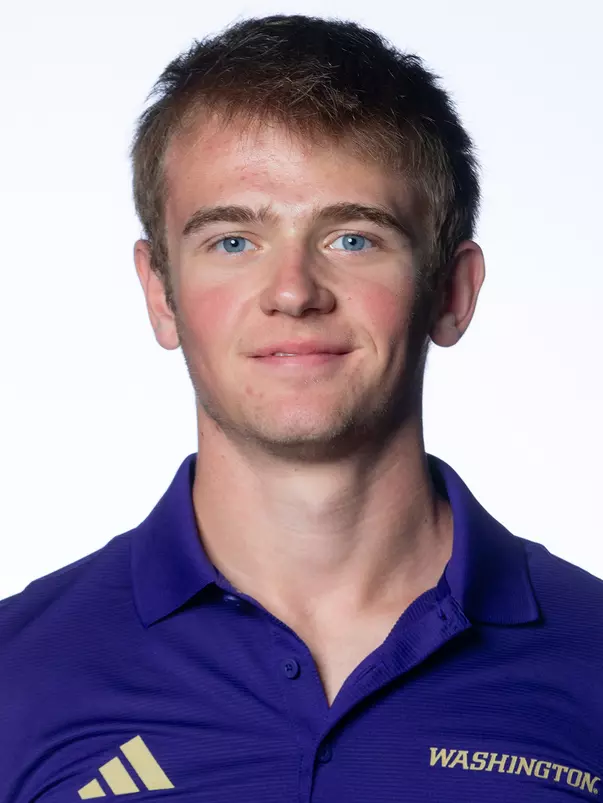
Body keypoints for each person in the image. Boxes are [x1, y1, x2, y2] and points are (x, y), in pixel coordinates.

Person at [1, 13, 601, 803]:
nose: (293, 292)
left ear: (450, 292)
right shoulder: (18, 673)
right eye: (232, 241)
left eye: (353, 238)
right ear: (160, 293)